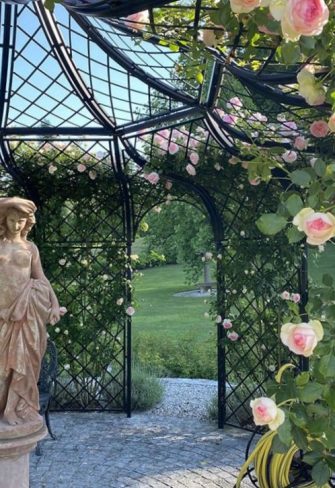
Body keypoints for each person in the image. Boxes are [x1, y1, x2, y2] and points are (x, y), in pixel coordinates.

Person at [0, 196, 64, 425]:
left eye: (20, 221)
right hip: (3, 314)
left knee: (23, 364)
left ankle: (14, 408)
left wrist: (54, 304)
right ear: (4, 220)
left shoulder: (30, 248)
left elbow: (41, 278)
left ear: (26, 223)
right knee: (2, 370)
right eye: (11, 219)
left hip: (26, 313)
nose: (16, 225)